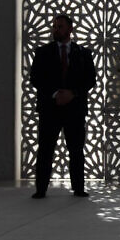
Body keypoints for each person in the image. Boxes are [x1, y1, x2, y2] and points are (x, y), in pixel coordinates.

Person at [29, 13, 96, 198]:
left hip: (74, 110)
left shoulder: (83, 53)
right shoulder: (42, 52)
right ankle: (40, 189)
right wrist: (55, 93)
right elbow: (36, 78)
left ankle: (79, 188)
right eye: (54, 26)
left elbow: (90, 79)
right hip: (50, 109)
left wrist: (72, 93)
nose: (55, 29)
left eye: (60, 26)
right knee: (45, 149)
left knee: (76, 150)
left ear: (70, 29)